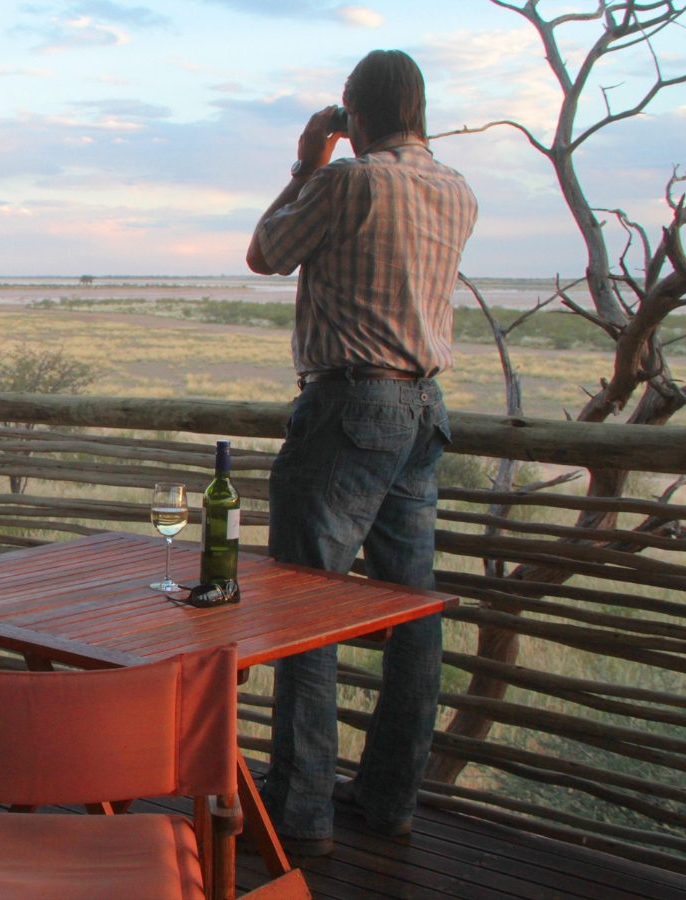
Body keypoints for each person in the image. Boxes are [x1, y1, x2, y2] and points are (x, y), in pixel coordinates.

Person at [245, 49, 477, 856]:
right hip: (422, 409)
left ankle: (301, 815)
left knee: (302, 608)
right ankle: (389, 799)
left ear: (353, 111)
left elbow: (266, 253)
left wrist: (305, 166)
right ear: (418, 107)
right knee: (412, 612)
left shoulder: (348, 181)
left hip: (350, 404)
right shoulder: (458, 190)